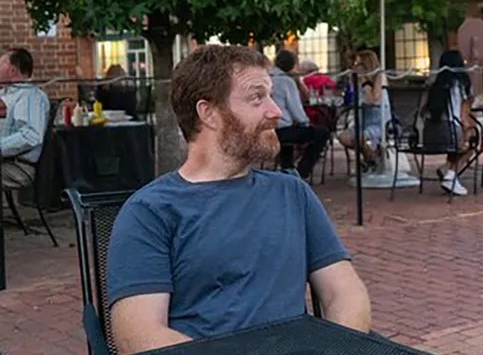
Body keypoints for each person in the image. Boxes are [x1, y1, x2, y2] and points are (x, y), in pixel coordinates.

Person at [106, 45, 370, 355]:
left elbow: (346, 293)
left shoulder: (292, 193)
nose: (276, 111)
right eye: (257, 98)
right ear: (209, 113)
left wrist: (335, 350)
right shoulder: (151, 211)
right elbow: (137, 336)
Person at [422, 50, 477, 196]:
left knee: (458, 143)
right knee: (473, 143)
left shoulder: (435, 85)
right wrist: (468, 131)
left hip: (429, 136)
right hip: (450, 131)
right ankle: (451, 174)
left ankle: (447, 168)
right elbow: (463, 116)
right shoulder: (461, 85)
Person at [270, 49, 331, 179]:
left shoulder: (268, 78)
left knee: (290, 134)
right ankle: (302, 171)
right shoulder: (286, 81)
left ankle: (287, 168)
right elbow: (296, 111)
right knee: (322, 133)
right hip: (283, 129)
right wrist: (305, 122)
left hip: (269, 128)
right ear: (293, 65)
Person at [0, 48, 50, 192]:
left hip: (18, 167)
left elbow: (31, 135)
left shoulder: (29, 96)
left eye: (1, 63)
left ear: (12, 70)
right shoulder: (5, 94)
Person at [337, 50, 390, 169]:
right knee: (343, 137)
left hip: (379, 122)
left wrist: (365, 82)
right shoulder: (357, 81)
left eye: (358, 64)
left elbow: (372, 100)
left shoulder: (379, 77)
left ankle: (370, 160)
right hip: (362, 121)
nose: (354, 66)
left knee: (359, 138)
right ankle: (371, 156)